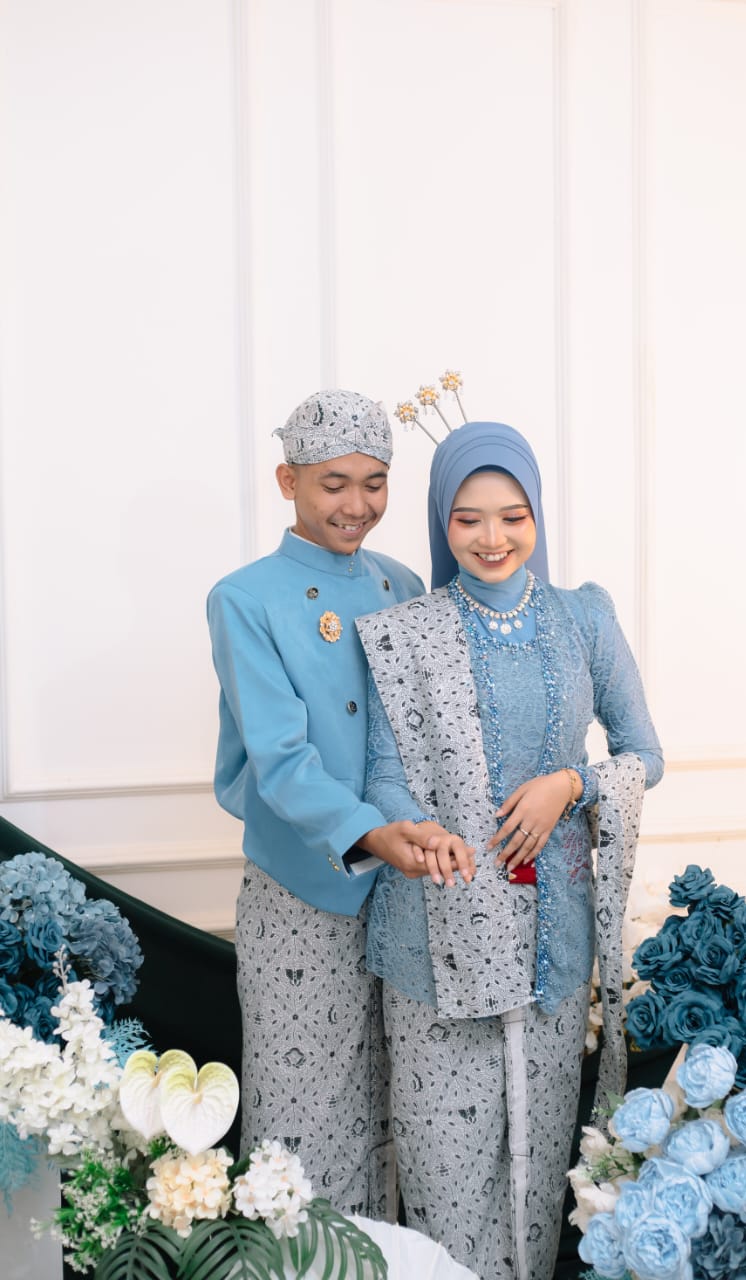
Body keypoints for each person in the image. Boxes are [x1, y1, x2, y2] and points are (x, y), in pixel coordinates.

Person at [355, 421, 664, 1279]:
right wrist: (417, 833)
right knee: (445, 1184)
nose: (491, 538)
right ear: (440, 522)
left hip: (551, 941)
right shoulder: (405, 633)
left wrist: (569, 783)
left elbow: (643, 752)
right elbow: (383, 777)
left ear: (537, 517)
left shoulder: (582, 618)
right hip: (433, 937)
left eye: (512, 516)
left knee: (535, 1186)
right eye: (467, 519)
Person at [207, 390, 467, 1220]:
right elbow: (280, 762)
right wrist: (371, 834)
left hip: (404, 885)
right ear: (287, 481)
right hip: (301, 892)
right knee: (303, 1115)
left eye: (374, 482)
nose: (357, 504)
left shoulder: (404, 584)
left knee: (396, 1107)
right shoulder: (244, 598)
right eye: (333, 484)